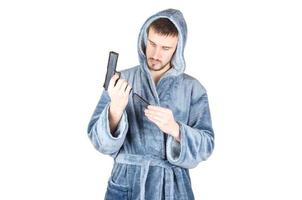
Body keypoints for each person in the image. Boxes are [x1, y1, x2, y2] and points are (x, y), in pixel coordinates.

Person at [87, 8, 214, 200]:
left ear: (178, 48)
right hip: (127, 186)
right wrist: (115, 110)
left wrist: (176, 130)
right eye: (152, 44)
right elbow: (99, 143)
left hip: (172, 189)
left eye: (165, 48)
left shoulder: (193, 89)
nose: (155, 54)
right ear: (144, 39)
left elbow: (207, 145)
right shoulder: (120, 80)